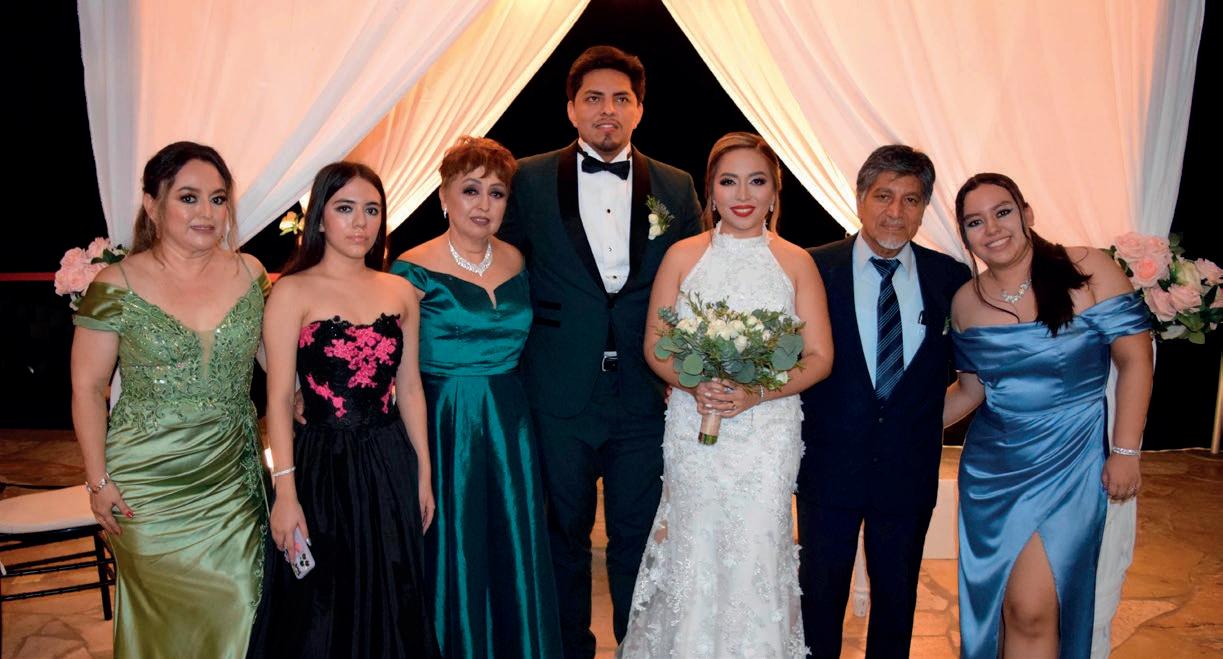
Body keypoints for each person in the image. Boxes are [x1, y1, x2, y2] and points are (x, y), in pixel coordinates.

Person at [498, 45, 702, 657]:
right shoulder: (528, 179)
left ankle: (636, 647)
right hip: (557, 390)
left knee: (638, 535)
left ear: (639, 109)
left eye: (620, 98)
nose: (606, 110)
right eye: (593, 98)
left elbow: (696, 281)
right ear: (571, 109)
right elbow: (498, 265)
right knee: (561, 534)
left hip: (645, 391)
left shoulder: (675, 185)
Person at [618, 132, 833, 657]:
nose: (743, 194)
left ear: (775, 192)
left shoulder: (797, 262)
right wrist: (694, 382)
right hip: (694, 427)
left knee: (757, 547)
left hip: (767, 433)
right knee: (693, 545)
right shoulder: (682, 255)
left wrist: (756, 392)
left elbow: (819, 356)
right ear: (710, 191)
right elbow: (655, 344)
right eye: (728, 181)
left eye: (756, 181)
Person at [70, 141, 270, 657]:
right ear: (152, 205)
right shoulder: (116, 283)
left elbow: (277, 362)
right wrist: (98, 481)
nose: (207, 212)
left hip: (230, 485)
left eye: (218, 199)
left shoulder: (251, 274)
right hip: (146, 490)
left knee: (240, 603)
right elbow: (88, 389)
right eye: (188, 197)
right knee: (162, 631)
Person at [943, 173, 1151, 658]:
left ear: (1026, 213)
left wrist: (1125, 451)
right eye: (975, 222)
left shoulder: (1087, 268)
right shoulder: (966, 301)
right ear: (965, 235)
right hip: (992, 472)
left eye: (1002, 212)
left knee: (1033, 608)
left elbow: (1136, 359)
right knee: (1009, 609)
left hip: (1071, 462)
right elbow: (971, 391)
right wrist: (893, 430)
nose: (992, 228)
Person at [797, 145, 972, 658]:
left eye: (911, 199)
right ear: (860, 198)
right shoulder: (812, 268)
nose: (896, 212)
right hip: (826, 469)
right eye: (883, 196)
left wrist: (919, 430)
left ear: (924, 208)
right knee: (817, 604)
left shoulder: (950, 279)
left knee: (897, 604)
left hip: (907, 475)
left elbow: (972, 377)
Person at [390, 136, 561, 657]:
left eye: (496, 193)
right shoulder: (410, 269)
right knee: (453, 545)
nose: (484, 204)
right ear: (444, 195)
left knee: (512, 544)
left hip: (510, 423)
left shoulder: (518, 260)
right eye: (470, 190)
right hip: (443, 420)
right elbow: (385, 363)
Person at [263, 162, 439, 657]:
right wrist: (285, 492)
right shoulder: (292, 292)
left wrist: (423, 473)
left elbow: (410, 388)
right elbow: (278, 399)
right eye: (345, 209)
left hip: (388, 459)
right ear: (320, 218)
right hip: (320, 466)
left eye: (372, 210)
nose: (361, 223)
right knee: (322, 606)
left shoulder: (399, 290)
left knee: (394, 594)